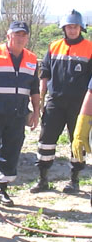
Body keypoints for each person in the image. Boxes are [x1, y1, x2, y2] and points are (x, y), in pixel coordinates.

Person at [0, 21, 40, 207]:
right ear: (8, 35)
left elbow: (34, 88)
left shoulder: (32, 59)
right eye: (16, 34)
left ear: (27, 38)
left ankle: (2, 190)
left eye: (23, 35)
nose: (20, 38)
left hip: (17, 115)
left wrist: (36, 111)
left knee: (11, 154)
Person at [30, 10, 92, 194]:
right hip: (55, 103)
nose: (72, 30)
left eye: (75, 27)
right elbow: (45, 73)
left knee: (77, 141)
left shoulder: (90, 48)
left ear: (81, 28)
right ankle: (43, 179)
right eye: (69, 27)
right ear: (63, 28)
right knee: (46, 141)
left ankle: (75, 180)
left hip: (79, 106)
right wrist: (41, 98)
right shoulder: (53, 46)